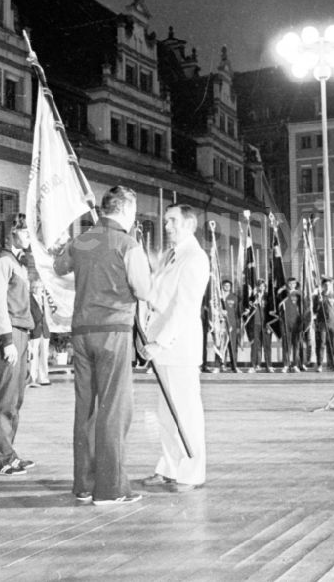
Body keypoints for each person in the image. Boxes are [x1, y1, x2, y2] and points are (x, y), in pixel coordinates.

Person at [54, 187, 152, 503]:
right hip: (113, 331)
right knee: (114, 408)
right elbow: (143, 289)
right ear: (124, 210)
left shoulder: (84, 239)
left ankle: (84, 484)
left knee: (86, 408)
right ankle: (110, 489)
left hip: (81, 332)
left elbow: (59, 267)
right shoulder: (127, 243)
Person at [141, 203, 210, 493]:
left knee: (186, 413)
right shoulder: (172, 256)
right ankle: (170, 467)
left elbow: (185, 308)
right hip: (163, 349)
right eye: (166, 221)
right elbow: (158, 298)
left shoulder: (194, 258)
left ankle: (192, 472)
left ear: (190, 224)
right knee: (166, 414)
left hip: (178, 348)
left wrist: (159, 341)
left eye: (172, 221)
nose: (166, 226)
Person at [0, 213, 36, 476]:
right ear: (12, 233)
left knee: (15, 398)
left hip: (20, 333)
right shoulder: (1, 262)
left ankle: (8, 454)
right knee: (4, 398)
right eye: (25, 232)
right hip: (9, 334)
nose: (29, 236)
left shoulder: (17, 262)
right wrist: (7, 340)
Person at [27, 279, 51, 387]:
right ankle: (32, 378)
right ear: (32, 288)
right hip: (34, 330)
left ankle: (43, 378)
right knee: (33, 355)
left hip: (45, 330)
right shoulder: (28, 299)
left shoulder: (45, 300)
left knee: (44, 355)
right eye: (35, 287)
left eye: (39, 287)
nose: (37, 289)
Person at [313, 277, 334, 372]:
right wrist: (318, 302)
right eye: (325, 285)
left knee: (332, 345)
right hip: (322, 323)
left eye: (329, 285)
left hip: (332, 323)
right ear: (323, 286)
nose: (327, 287)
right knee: (321, 344)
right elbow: (314, 310)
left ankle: (332, 364)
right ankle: (319, 364)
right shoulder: (319, 296)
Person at [248, 280, 272, 372]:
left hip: (266, 324)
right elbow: (248, 310)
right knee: (256, 346)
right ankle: (255, 365)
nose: (261, 288)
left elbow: (272, 312)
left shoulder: (269, 297)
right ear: (257, 287)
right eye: (259, 286)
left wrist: (270, 325)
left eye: (263, 286)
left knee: (267, 346)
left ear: (265, 287)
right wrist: (254, 303)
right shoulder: (253, 297)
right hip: (255, 323)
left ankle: (269, 365)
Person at [282, 277, 305, 372]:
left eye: (293, 283)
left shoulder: (299, 294)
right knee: (286, 345)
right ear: (288, 284)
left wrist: (302, 321)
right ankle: (286, 365)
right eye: (290, 283)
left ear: (295, 284)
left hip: (296, 322)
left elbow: (303, 308)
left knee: (296, 344)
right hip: (286, 322)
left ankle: (295, 364)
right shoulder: (284, 294)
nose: (291, 285)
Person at [220, 279, 240, 372]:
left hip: (232, 325)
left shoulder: (234, 297)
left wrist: (238, 326)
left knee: (232, 345)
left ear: (231, 287)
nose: (227, 287)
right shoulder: (219, 297)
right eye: (225, 285)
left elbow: (237, 313)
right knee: (222, 345)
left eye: (228, 285)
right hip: (222, 324)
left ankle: (234, 366)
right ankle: (222, 365)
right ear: (222, 286)